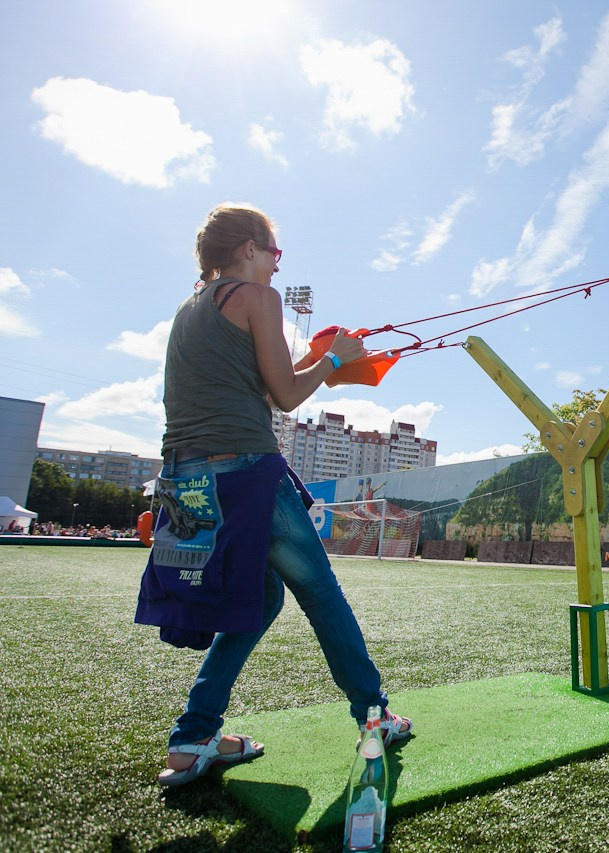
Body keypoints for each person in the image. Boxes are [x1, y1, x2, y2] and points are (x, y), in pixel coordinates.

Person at [140, 204, 411, 787]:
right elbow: (286, 397)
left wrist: (319, 359)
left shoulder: (189, 308)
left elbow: (261, 388)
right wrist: (335, 359)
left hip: (187, 480)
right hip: (244, 472)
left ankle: (192, 738)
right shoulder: (258, 298)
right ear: (247, 249)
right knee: (321, 593)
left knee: (261, 599)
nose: (277, 265)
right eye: (274, 252)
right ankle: (375, 717)